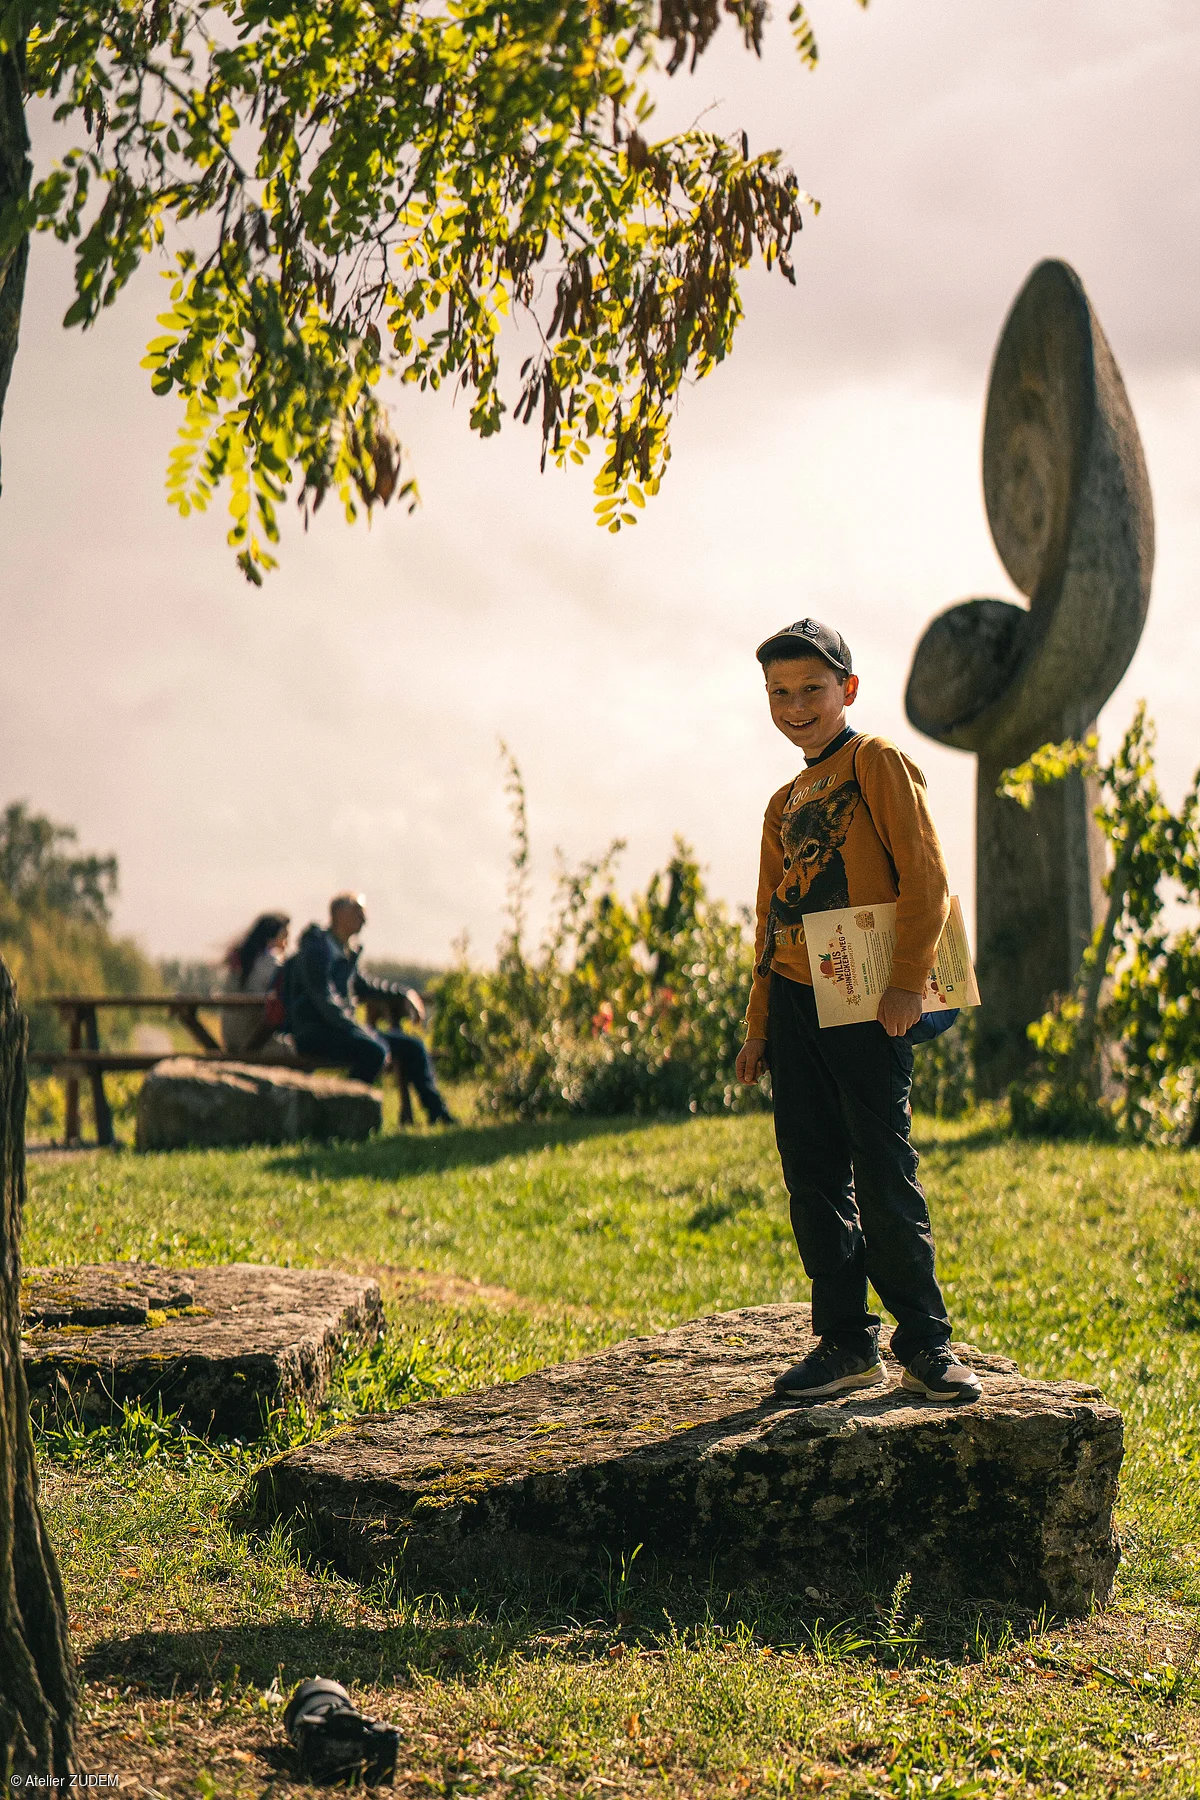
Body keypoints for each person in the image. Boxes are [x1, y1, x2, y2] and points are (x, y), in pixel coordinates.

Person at [735, 618, 981, 1405]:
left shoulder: (874, 762)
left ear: (847, 689)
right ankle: (844, 1343)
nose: (795, 705)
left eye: (811, 688)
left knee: (882, 1167)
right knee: (810, 1171)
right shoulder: (782, 803)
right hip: (802, 1000)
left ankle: (926, 1346)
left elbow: (927, 877)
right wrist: (758, 1028)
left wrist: (907, 982)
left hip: (871, 997)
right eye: (779, 692)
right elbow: (775, 921)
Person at [288, 893, 456, 1125]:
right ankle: (342, 1114)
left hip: (344, 1031)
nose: (364, 919)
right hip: (315, 1032)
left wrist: (405, 993)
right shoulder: (317, 951)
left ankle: (437, 1113)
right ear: (340, 914)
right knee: (373, 1051)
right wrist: (356, 1030)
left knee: (413, 1047)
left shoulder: (344, 950)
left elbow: (366, 986)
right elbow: (324, 1000)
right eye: (358, 911)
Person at [222, 911, 290, 1054]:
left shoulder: (240, 956)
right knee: (296, 1049)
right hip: (255, 1039)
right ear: (275, 936)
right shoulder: (273, 961)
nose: (287, 943)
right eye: (285, 937)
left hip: (230, 1037)